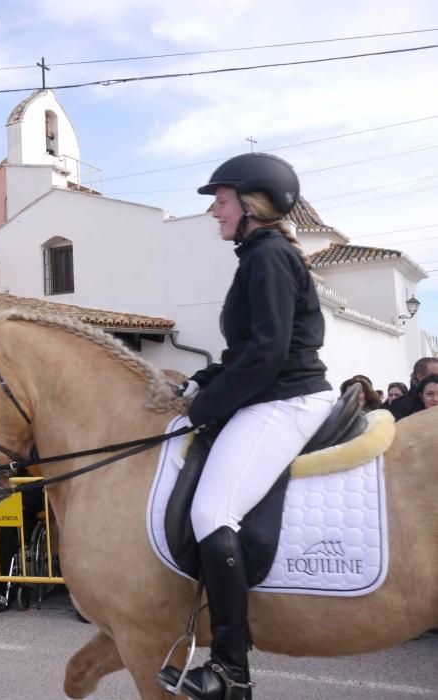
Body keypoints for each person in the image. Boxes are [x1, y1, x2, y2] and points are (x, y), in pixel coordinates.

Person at [162, 153, 335, 700]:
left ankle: (231, 669)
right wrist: (202, 379)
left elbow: (268, 353)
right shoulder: (259, 255)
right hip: (273, 392)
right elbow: (246, 348)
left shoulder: (268, 257)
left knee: (213, 512)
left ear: (253, 204)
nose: (215, 209)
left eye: (222, 198)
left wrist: (206, 407)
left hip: (286, 400)